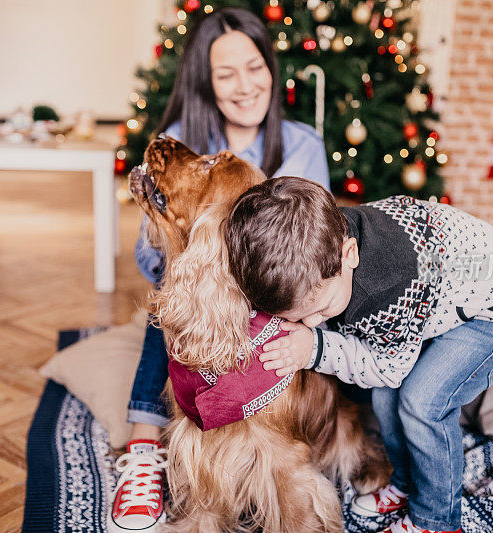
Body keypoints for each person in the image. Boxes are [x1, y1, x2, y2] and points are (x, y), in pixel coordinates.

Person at [109, 9, 331, 533]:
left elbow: (312, 256)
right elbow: (151, 259)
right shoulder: (183, 139)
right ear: (206, 83)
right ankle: (145, 448)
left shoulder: (302, 146)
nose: (245, 86)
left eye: (254, 68)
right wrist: (192, 251)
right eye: (226, 74)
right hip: (198, 293)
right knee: (170, 300)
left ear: (272, 71)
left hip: (274, 305)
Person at [222, 177, 493, 533]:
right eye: (297, 317)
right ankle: (406, 483)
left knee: (422, 402)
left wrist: (315, 348)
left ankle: (437, 519)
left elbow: (386, 368)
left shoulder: (387, 288)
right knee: (385, 396)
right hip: (438, 291)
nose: (312, 322)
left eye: (321, 308)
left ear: (349, 254)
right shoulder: (321, 242)